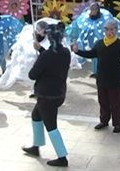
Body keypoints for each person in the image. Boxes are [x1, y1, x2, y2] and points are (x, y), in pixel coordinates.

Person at [22, 23, 71, 167]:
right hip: (59, 93)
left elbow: (32, 75)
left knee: (51, 125)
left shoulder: (46, 56)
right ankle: (36, 146)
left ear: (49, 38)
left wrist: (39, 56)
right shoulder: (66, 52)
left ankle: (62, 157)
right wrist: (41, 50)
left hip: (46, 96)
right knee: (36, 116)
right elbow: (53, 60)